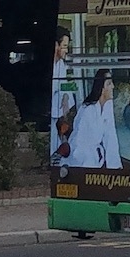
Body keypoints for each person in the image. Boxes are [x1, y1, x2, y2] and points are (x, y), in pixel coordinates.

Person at [65, 69, 122, 169]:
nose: (113, 86)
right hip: (80, 159)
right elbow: (80, 142)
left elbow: (110, 136)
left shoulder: (107, 106)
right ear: (102, 88)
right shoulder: (88, 110)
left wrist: (116, 168)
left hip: (95, 158)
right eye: (109, 84)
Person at [50, 26, 76, 165]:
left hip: (59, 113)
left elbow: (66, 85)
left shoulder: (62, 65)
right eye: (64, 46)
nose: (66, 50)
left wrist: (66, 96)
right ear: (56, 45)